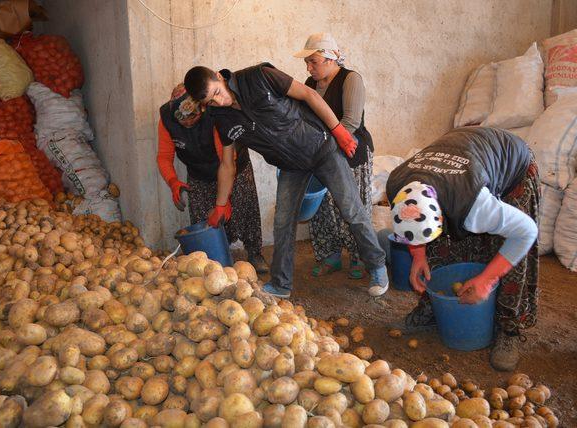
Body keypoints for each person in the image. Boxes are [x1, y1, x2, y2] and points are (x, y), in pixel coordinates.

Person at [183, 63, 388, 298]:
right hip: (291, 164)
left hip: (321, 148)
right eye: (210, 102)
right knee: (283, 220)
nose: (218, 103)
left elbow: (308, 94)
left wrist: (338, 130)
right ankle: (281, 284)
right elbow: (227, 164)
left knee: (351, 209)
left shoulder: (259, 76)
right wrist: (221, 204)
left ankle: (377, 265)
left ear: (220, 77)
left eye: (217, 93)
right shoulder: (221, 118)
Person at [386, 126, 539, 371]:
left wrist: (487, 280)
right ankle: (435, 308)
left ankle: (508, 327)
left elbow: (526, 232)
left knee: (510, 252)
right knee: (445, 246)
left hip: (511, 161)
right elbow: (414, 225)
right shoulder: (396, 184)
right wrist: (418, 255)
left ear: (441, 215)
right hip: (465, 156)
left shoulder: (475, 205)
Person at [294, 33, 378, 290]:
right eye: (307, 62)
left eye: (314, 61)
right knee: (323, 208)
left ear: (331, 59)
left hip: (351, 153)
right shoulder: (310, 83)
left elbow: (350, 122)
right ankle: (330, 256)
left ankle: (358, 258)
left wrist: (324, 148)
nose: (309, 68)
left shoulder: (351, 79)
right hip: (321, 154)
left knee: (352, 207)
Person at [157, 83, 268, 272]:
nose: (187, 124)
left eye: (192, 119)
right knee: (204, 220)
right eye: (182, 122)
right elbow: (164, 156)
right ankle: (210, 262)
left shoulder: (215, 116)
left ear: (202, 108)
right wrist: (173, 181)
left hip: (233, 166)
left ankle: (255, 253)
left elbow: (227, 162)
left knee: (244, 209)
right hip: (199, 173)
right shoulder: (167, 120)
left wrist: (223, 201)